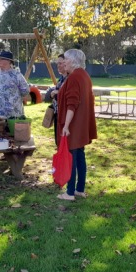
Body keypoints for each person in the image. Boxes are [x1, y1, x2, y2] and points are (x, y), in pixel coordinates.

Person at [56, 48, 97, 201]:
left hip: (74, 125)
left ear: (72, 61)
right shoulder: (84, 75)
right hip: (82, 124)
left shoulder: (74, 77)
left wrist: (66, 126)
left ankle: (70, 192)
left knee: (72, 157)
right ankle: (80, 189)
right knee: (79, 155)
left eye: (65, 59)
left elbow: (72, 104)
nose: (63, 62)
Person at [0, 50, 30, 118]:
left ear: (9, 61)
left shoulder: (16, 75)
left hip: (12, 114)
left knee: (11, 129)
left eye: (1, 59)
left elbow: (25, 91)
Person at [44, 54, 66, 145]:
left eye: (60, 63)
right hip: (57, 114)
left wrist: (57, 93)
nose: (58, 66)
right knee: (58, 141)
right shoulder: (61, 79)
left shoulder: (70, 79)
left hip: (64, 116)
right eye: (57, 64)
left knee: (63, 142)